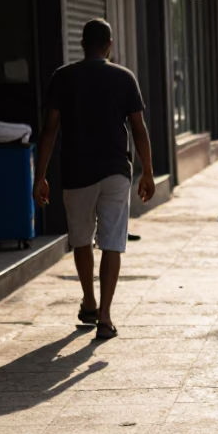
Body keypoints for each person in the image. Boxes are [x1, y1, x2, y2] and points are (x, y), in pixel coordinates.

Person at [34, 18, 155, 340]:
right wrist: (148, 173)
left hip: (76, 172)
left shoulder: (63, 77)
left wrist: (40, 176)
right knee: (113, 242)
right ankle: (104, 316)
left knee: (82, 240)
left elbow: (50, 129)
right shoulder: (124, 77)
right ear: (110, 44)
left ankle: (89, 300)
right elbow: (139, 129)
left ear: (82, 43)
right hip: (116, 171)